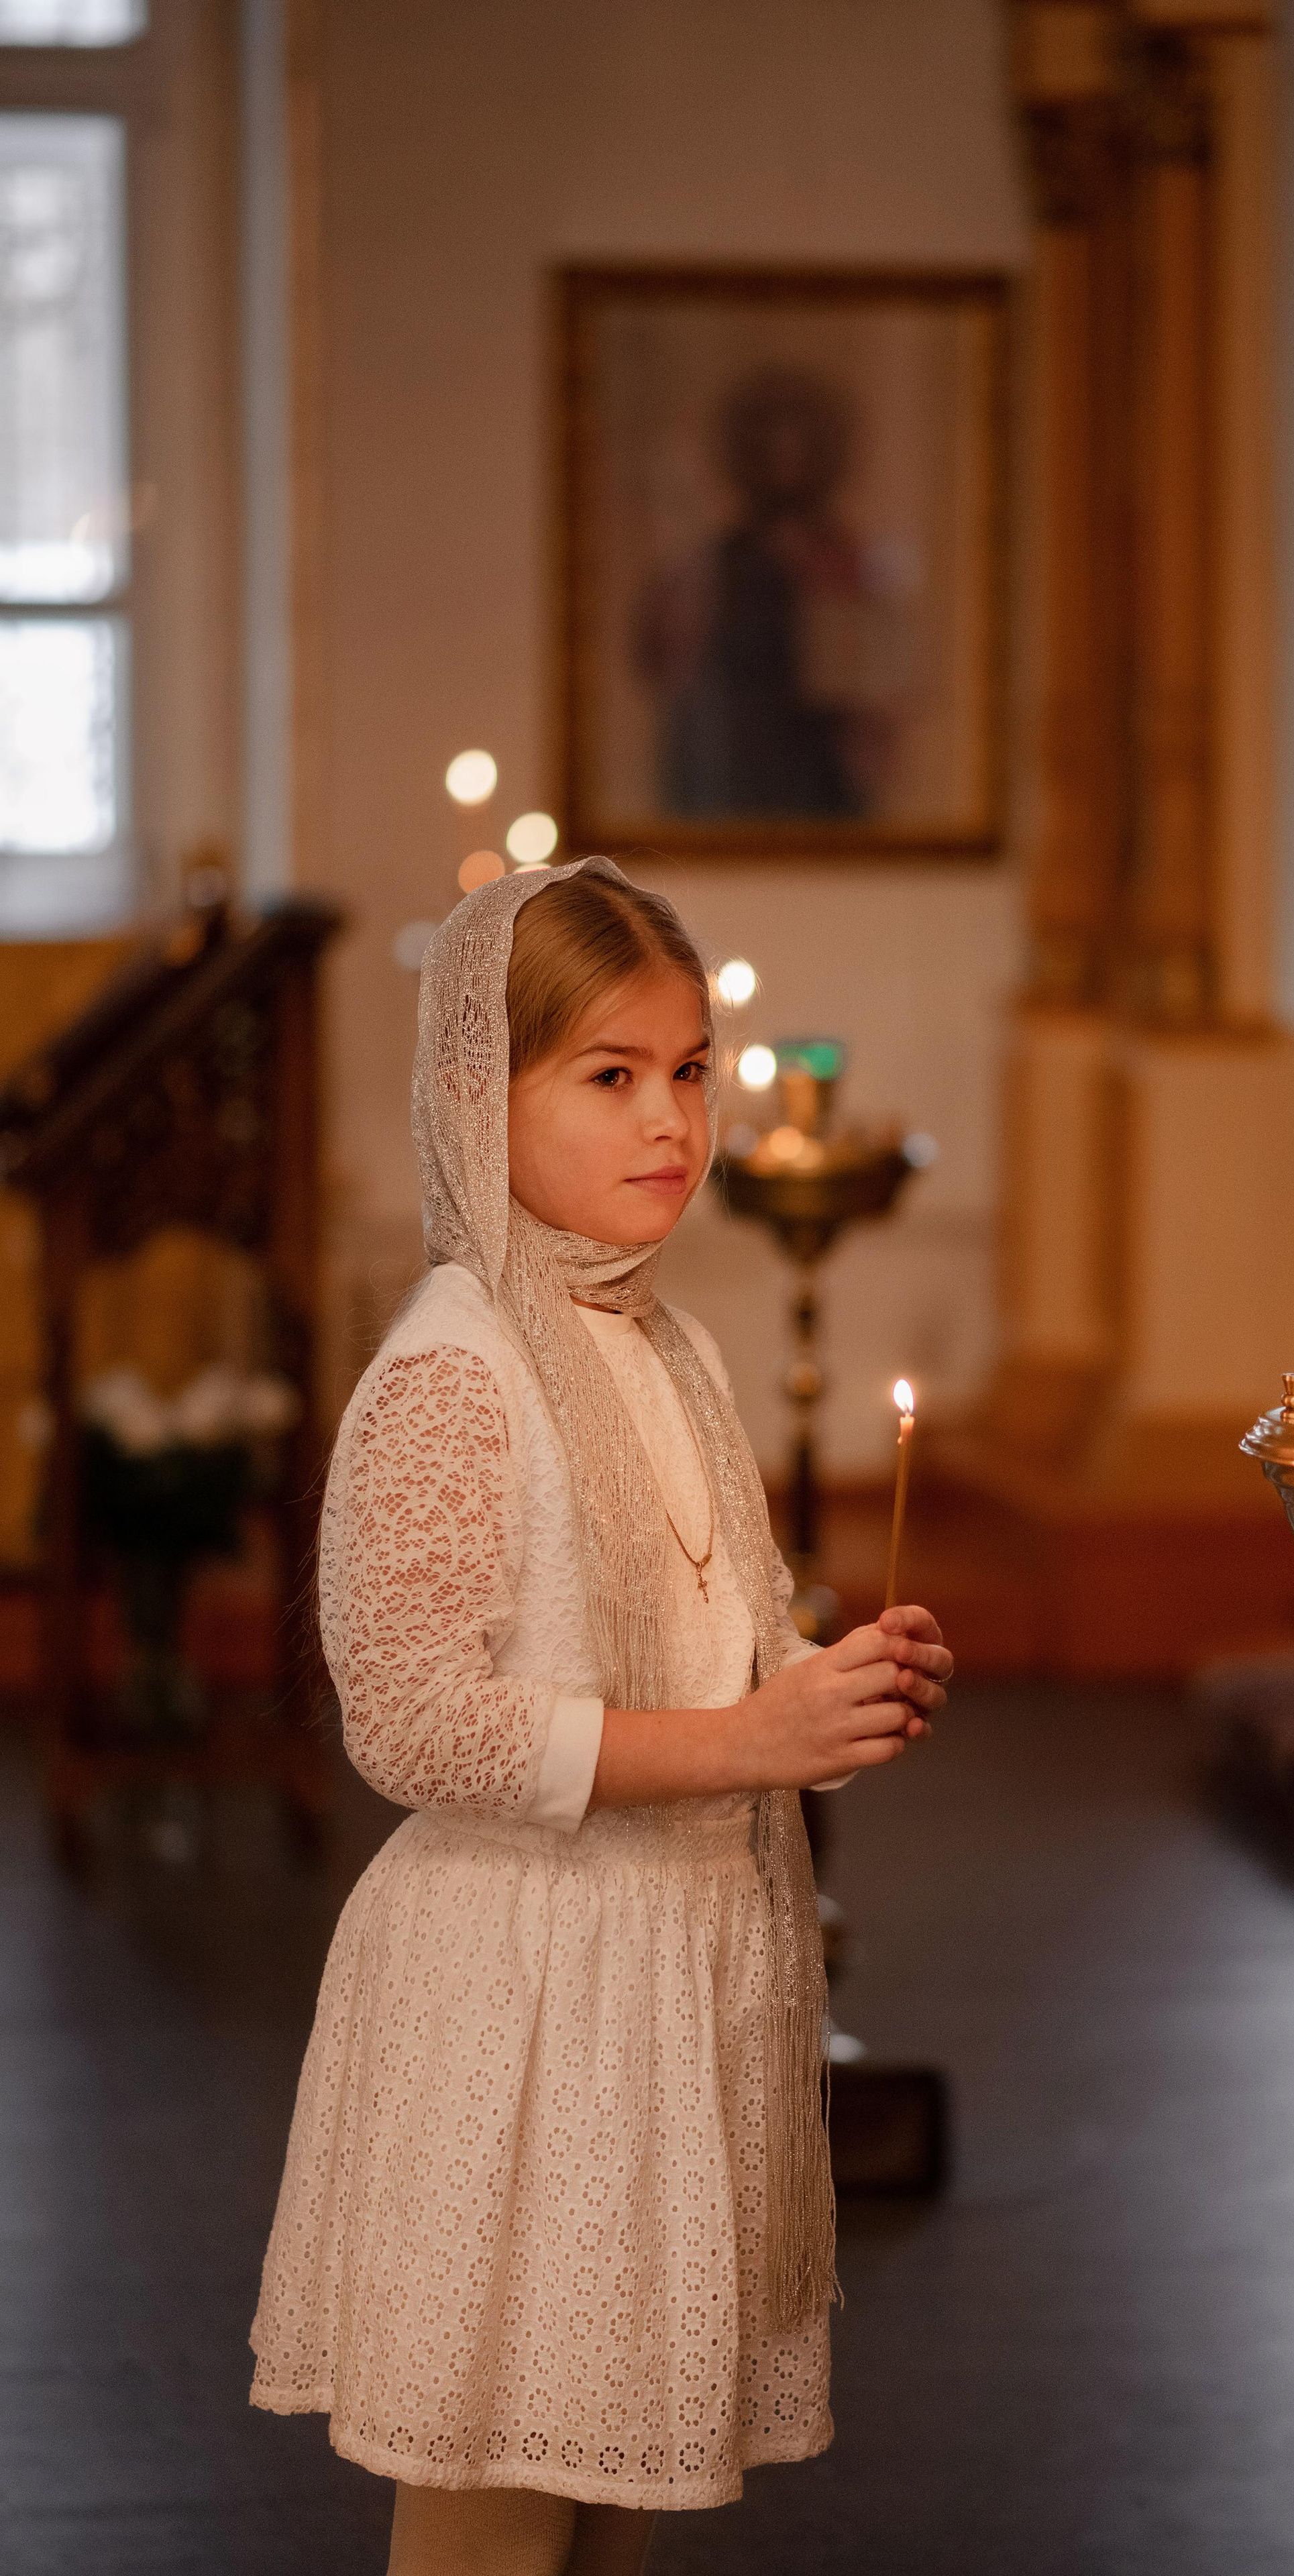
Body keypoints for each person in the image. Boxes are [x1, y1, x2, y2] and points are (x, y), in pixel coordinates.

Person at [249, 857, 951, 2575]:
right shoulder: (451, 1365)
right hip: (523, 2002)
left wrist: (824, 1684)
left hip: (672, 1986)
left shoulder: (671, 1345)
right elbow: (418, 1728)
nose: (670, 1120)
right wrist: (744, 1744)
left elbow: (707, 1638)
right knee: (494, 2523)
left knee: (620, 2515)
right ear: (479, 1096)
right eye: (609, 1073)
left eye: (691, 1068)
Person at [632, 366, 914, 822]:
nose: (786, 462)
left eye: (800, 448)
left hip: (817, 767)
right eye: (773, 448)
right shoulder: (710, 563)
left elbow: (880, 674)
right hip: (730, 759)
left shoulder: (850, 558)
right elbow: (664, 660)